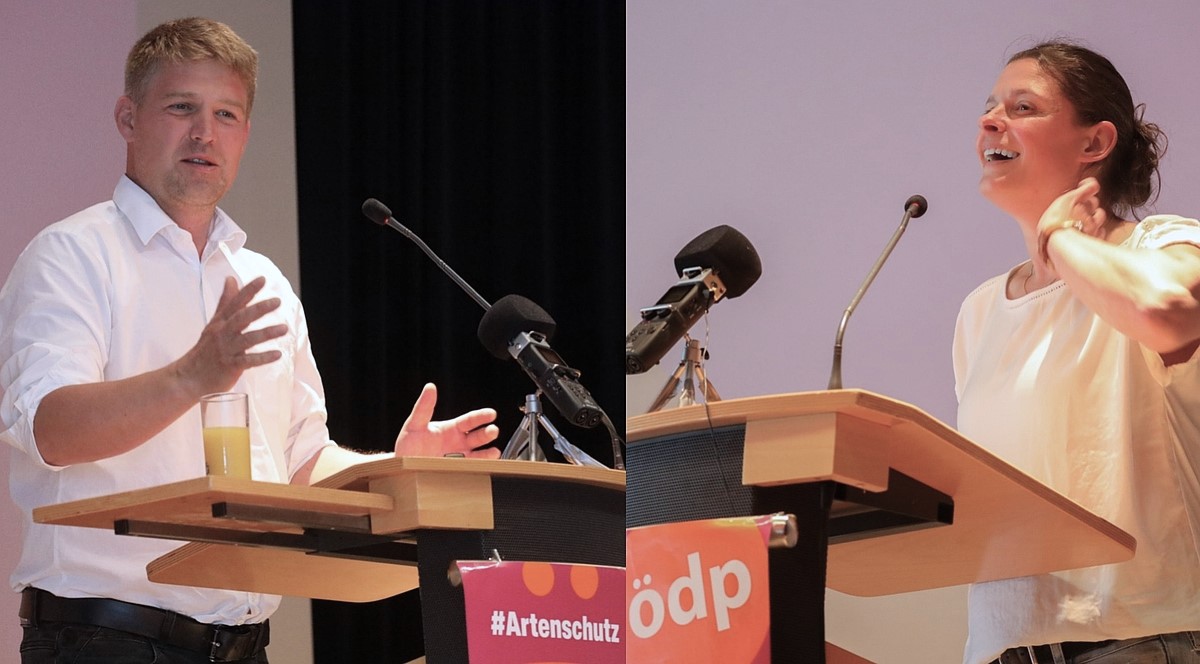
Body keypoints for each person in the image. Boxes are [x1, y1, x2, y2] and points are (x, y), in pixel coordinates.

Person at [0, 17, 500, 664]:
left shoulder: (264, 282)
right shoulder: (71, 257)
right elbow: (50, 430)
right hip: (106, 641)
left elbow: (299, 464)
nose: (204, 133)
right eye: (182, 107)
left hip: (244, 646)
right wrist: (192, 376)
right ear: (128, 118)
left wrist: (392, 471)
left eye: (226, 114)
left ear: (244, 135)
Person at [955, 40, 1200, 664]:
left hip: (1143, 639)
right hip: (1005, 649)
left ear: (1095, 142)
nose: (990, 121)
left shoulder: (1163, 246)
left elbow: (1164, 311)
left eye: (1022, 107)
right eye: (990, 106)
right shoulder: (980, 312)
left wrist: (1058, 237)